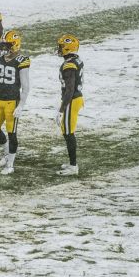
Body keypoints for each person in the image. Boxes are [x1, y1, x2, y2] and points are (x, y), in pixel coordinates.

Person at [0, 30, 32, 175]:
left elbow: (25, 86)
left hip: (12, 100)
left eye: (7, 46)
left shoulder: (22, 60)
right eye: (3, 45)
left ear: (15, 45)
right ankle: (6, 152)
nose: (4, 49)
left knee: (12, 133)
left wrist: (21, 106)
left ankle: (10, 165)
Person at [57, 34, 85, 176]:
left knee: (68, 133)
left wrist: (62, 109)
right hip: (76, 99)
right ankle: (72, 163)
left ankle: (73, 166)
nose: (59, 49)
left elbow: (69, 89)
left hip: (72, 100)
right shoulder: (76, 60)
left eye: (62, 46)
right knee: (67, 131)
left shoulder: (69, 65)